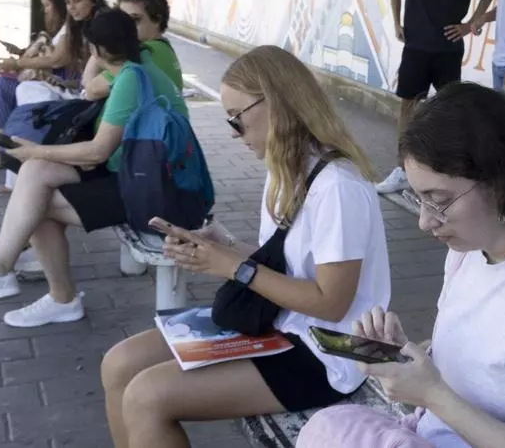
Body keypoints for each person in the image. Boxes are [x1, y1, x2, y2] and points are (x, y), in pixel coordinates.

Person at [297, 83, 505, 448]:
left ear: (501, 183)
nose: (424, 222)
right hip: (429, 433)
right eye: (417, 197)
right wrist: (404, 356)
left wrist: (431, 394)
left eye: (438, 200)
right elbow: (476, 370)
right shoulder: (467, 254)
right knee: (329, 424)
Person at [99, 45, 391, 448]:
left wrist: (235, 266)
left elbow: (331, 303)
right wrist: (228, 246)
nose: (233, 132)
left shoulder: (338, 185)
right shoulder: (286, 169)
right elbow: (294, 262)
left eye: (237, 118)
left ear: (277, 103)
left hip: (332, 351)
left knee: (147, 396)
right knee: (118, 365)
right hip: (282, 322)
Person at [0, 9, 187, 328]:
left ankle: (49, 293)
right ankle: (1, 270)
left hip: (153, 191)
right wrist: (38, 155)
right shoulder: (135, 69)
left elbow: (96, 151)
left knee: (36, 203)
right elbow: (90, 92)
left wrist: (37, 148)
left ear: (95, 47)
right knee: (35, 172)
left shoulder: (129, 80)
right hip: (136, 172)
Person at [376, 0, 495, 195]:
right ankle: (402, 170)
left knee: (448, 111)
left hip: (447, 50)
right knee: (408, 106)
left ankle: (444, 171)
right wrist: (397, 24)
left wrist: (469, 25)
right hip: (416, 47)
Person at [0, 0, 73, 169]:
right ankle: (6, 142)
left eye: (47, 5)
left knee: (3, 88)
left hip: (59, 81)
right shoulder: (60, 28)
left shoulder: (71, 28)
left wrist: (18, 62)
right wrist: (22, 53)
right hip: (46, 77)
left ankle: (9, 146)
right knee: (0, 86)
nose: (45, 10)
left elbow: (56, 60)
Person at [82, 0, 184, 100]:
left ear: (157, 20)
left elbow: (92, 89)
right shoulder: (161, 48)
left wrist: (99, 42)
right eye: (121, 21)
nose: (125, 26)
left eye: (135, 20)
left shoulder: (147, 52)